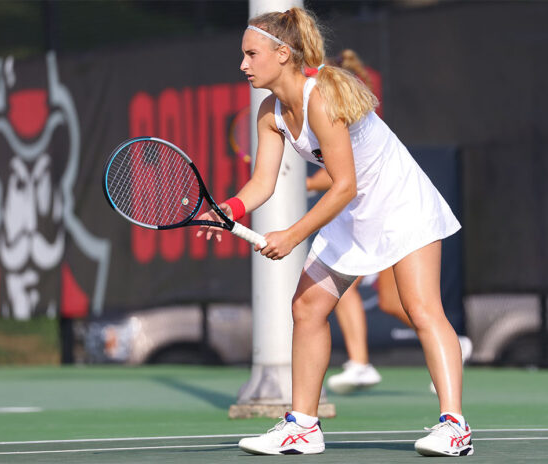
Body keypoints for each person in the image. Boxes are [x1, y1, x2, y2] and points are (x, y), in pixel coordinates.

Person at [197, 7, 473, 457]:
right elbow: (264, 183)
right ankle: (303, 426)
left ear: (282, 54)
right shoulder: (270, 111)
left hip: (401, 201)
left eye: (251, 54)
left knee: (421, 308)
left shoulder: (320, 99)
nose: (243, 65)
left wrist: (291, 235)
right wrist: (225, 209)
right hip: (354, 210)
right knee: (306, 307)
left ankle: (454, 427)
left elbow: (344, 185)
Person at [306, 50, 472, 396]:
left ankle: (367, 363)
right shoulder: (306, 109)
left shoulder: (335, 106)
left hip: (396, 212)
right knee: (391, 304)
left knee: (414, 306)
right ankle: (448, 344)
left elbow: (346, 175)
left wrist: (304, 188)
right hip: (364, 216)